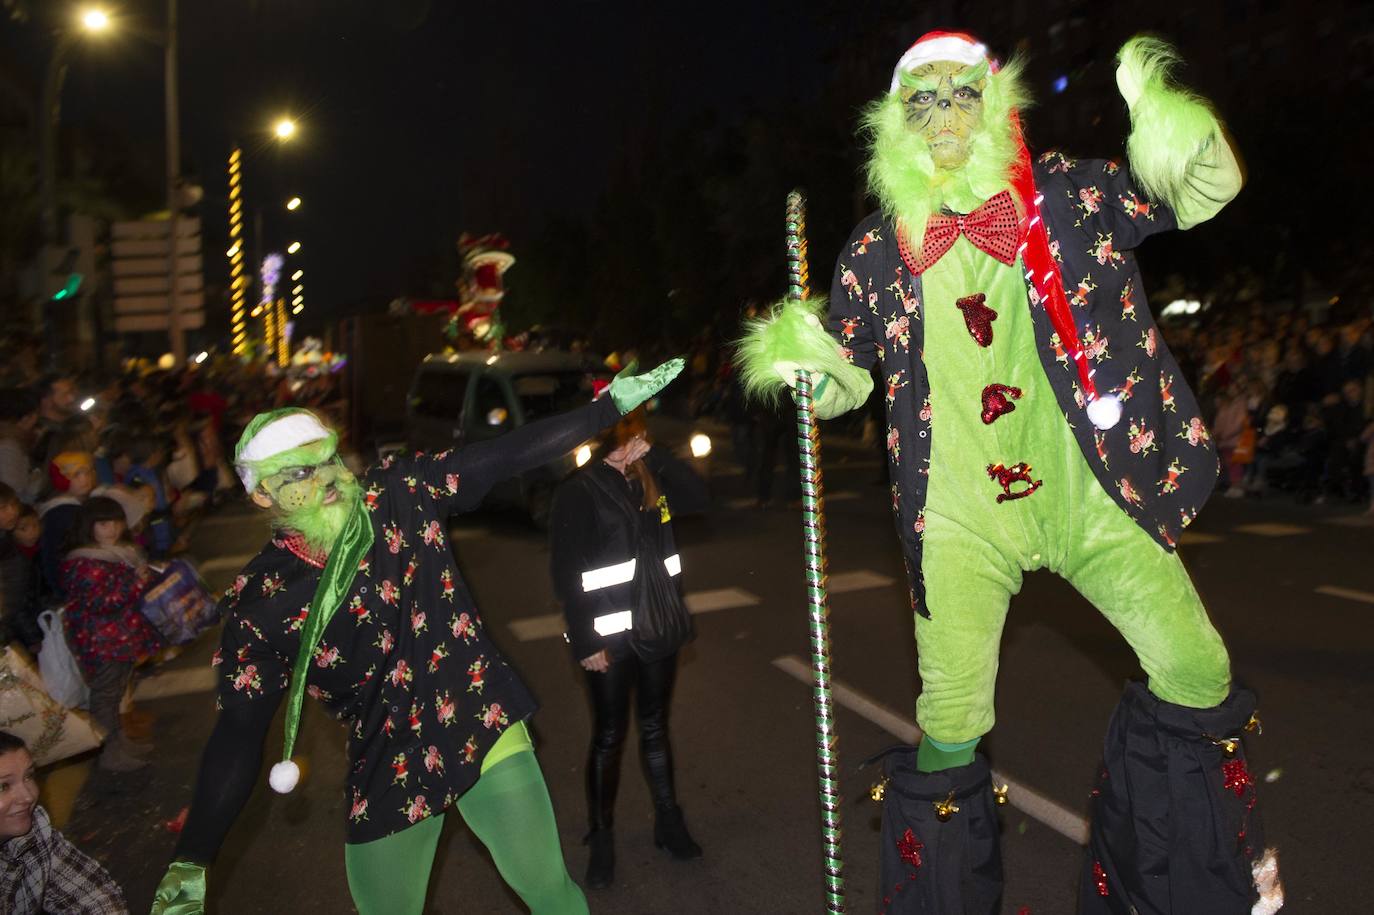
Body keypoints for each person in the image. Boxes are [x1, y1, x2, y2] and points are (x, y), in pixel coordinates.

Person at [741, 31, 1279, 913]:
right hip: (959, 521)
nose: (945, 116)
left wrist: (1176, 131)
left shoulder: (1065, 195)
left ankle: (1162, 881)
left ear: (992, 105)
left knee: (1196, 667)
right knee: (949, 723)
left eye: (961, 95)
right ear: (895, 122)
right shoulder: (876, 252)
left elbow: (1204, 190)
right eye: (924, 100)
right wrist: (808, 365)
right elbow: (844, 375)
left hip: (1089, 494)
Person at [150, 359, 683, 915]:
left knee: (549, 891)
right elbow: (238, 734)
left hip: (475, 712)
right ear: (262, 495)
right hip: (386, 755)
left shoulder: (398, 496)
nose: (326, 478)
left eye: (327, 460)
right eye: (300, 473)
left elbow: (503, 454)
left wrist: (606, 409)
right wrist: (191, 860)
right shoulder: (260, 602)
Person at [548, 404, 708, 889]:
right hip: (609, 638)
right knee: (610, 735)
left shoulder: (649, 480)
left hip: (657, 629)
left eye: (634, 434)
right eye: (619, 436)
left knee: (656, 726)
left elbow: (700, 498)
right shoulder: (580, 490)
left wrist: (657, 457)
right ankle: (601, 837)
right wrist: (584, 639)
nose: (627, 444)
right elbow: (565, 572)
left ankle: (669, 821)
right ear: (600, 440)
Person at [59, 496, 162, 773]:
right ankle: (108, 752)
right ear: (88, 526)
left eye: (116, 522)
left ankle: (120, 742)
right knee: (105, 696)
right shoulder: (85, 561)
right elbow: (101, 603)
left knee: (116, 693)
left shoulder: (120, 553)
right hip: (100, 639)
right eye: (103, 524)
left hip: (121, 635)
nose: (112, 530)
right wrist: (135, 583)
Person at [0, 731, 128, 914]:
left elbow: (91, 893)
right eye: (3, 786)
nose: (28, 796)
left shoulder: (34, 825)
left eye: (28, 776)